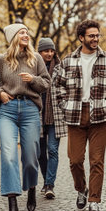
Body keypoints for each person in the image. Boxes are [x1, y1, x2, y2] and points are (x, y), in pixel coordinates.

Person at [54, 19, 106, 211]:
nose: (95, 39)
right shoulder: (67, 61)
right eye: (91, 36)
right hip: (75, 115)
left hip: (100, 116)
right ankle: (81, 189)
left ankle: (94, 200)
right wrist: (64, 105)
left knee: (96, 161)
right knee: (75, 160)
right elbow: (57, 86)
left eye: (97, 35)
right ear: (81, 37)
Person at [0, 23, 50, 211]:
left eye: (27, 32)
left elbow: (46, 83)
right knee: (8, 154)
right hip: (8, 111)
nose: (26, 35)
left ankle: (31, 187)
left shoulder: (36, 59)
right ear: (13, 37)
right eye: (22, 32)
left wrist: (33, 80)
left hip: (30, 110)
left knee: (31, 158)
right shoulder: (1, 60)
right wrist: (0, 93)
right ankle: (12, 203)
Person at [37, 37, 67, 199]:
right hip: (37, 115)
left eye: (51, 50)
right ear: (39, 52)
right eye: (45, 51)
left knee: (53, 150)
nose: (49, 54)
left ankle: (50, 184)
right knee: (40, 153)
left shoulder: (61, 68)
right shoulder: (33, 66)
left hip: (56, 116)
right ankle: (45, 181)